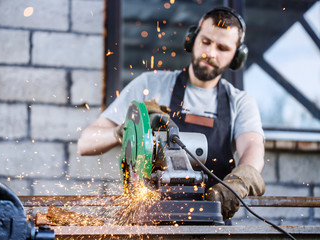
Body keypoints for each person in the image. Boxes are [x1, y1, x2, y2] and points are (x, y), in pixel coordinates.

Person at [77, 7, 265, 221]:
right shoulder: (150, 85)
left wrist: (239, 183)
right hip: (147, 222)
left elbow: (252, 148)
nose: (211, 53)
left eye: (222, 48)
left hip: (211, 222)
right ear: (192, 39)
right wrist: (124, 131)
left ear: (237, 56)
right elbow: (85, 143)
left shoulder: (240, 102)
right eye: (206, 41)